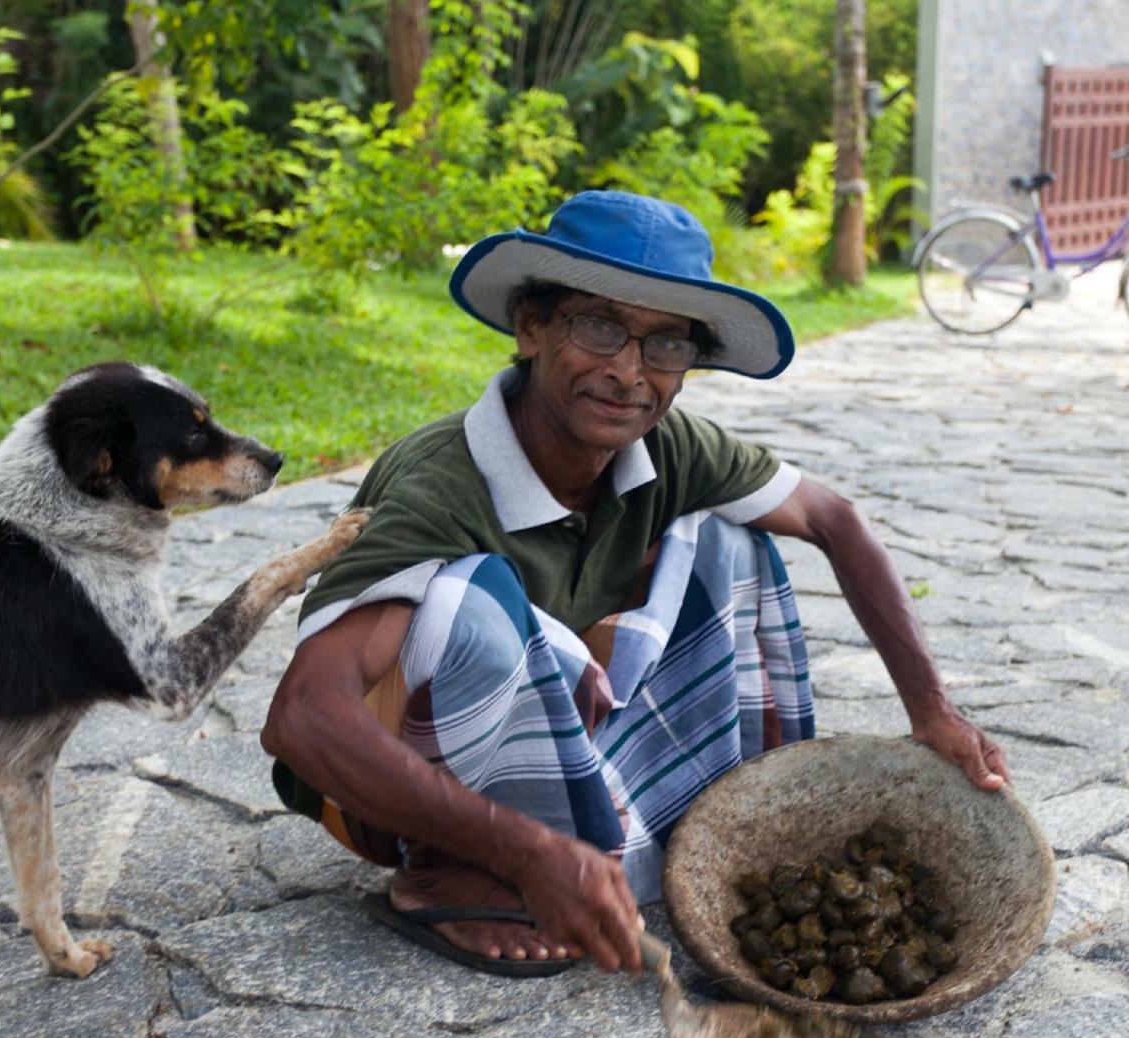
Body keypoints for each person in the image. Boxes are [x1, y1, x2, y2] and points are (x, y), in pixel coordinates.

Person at [261, 190, 1009, 979]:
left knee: (730, 539)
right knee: (471, 599)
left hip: (542, 732)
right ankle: (448, 865)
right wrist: (523, 850)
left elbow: (835, 519)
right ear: (530, 327)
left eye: (664, 345)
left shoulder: (669, 446)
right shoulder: (442, 479)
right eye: (598, 327)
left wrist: (934, 713)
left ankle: (671, 820)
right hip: (379, 786)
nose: (628, 372)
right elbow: (303, 720)